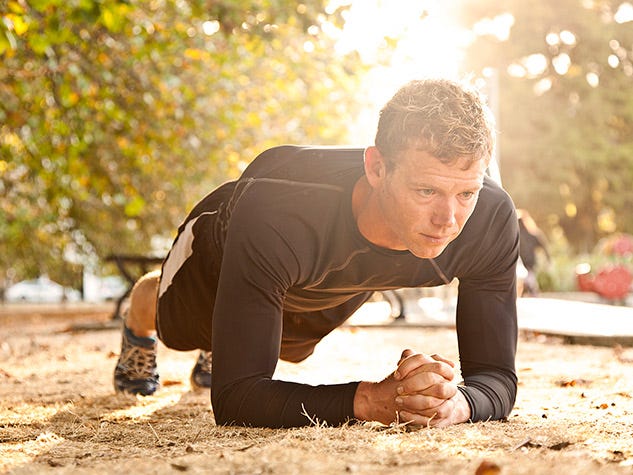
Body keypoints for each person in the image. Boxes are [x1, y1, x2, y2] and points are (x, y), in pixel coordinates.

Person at [113, 78, 520, 429]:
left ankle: (230, 338)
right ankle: (147, 313)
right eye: (426, 191)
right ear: (377, 169)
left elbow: (497, 378)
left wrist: (459, 404)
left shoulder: (489, 220)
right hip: (225, 248)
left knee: (290, 349)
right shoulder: (278, 214)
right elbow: (236, 400)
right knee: (180, 329)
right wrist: (372, 401)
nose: (448, 219)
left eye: (466, 192)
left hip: (325, 280)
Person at [516, 209, 549, 296]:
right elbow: (543, 246)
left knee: (527, 280)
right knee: (528, 281)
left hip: (524, 263)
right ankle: (531, 292)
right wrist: (547, 258)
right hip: (525, 263)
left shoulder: (521, 234)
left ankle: (530, 291)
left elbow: (543, 245)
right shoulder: (531, 233)